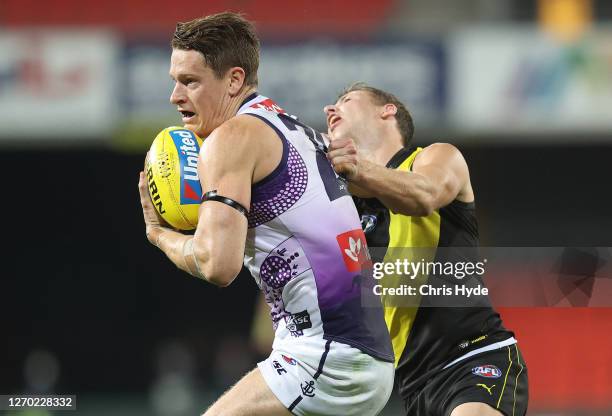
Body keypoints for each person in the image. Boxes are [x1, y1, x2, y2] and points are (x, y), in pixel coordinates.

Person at [137, 14, 394, 416]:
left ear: (235, 81)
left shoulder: (233, 138)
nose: (175, 95)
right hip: (359, 354)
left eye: (190, 81)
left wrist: (159, 235)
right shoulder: (297, 129)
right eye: (175, 80)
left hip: (328, 356)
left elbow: (216, 265)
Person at [324, 83, 529, 416]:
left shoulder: (436, 157)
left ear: (387, 110)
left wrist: (357, 167)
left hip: (473, 357)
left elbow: (424, 196)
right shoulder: (347, 210)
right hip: (411, 384)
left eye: (345, 100)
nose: (329, 110)